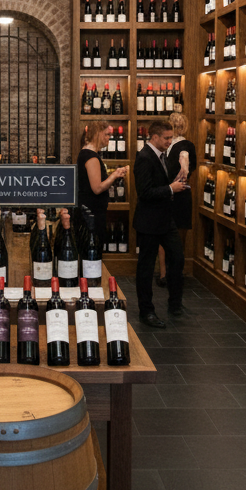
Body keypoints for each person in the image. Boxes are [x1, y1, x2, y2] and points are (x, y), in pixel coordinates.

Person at [132, 120, 187, 328]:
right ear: (154, 137)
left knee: (178, 258)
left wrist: (179, 177)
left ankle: (175, 304)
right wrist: (171, 189)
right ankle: (147, 311)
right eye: (166, 138)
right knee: (145, 268)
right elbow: (145, 193)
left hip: (166, 219)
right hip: (148, 221)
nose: (169, 141)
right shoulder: (144, 158)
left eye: (171, 137)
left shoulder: (163, 155)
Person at [156, 112, 196, 291]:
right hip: (180, 196)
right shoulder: (186, 145)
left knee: (163, 235)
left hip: (168, 194)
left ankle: (164, 273)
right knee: (178, 238)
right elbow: (185, 166)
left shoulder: (171, 147)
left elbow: (183, 164)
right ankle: (175, 274)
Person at [77, 121, 128, 233]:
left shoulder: (86, 153)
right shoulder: (91, 157)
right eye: (106, 134)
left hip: (88, 211)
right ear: (98, 134)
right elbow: (97, 188)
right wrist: (115, 175)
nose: (109, 138)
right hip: (92, 213)